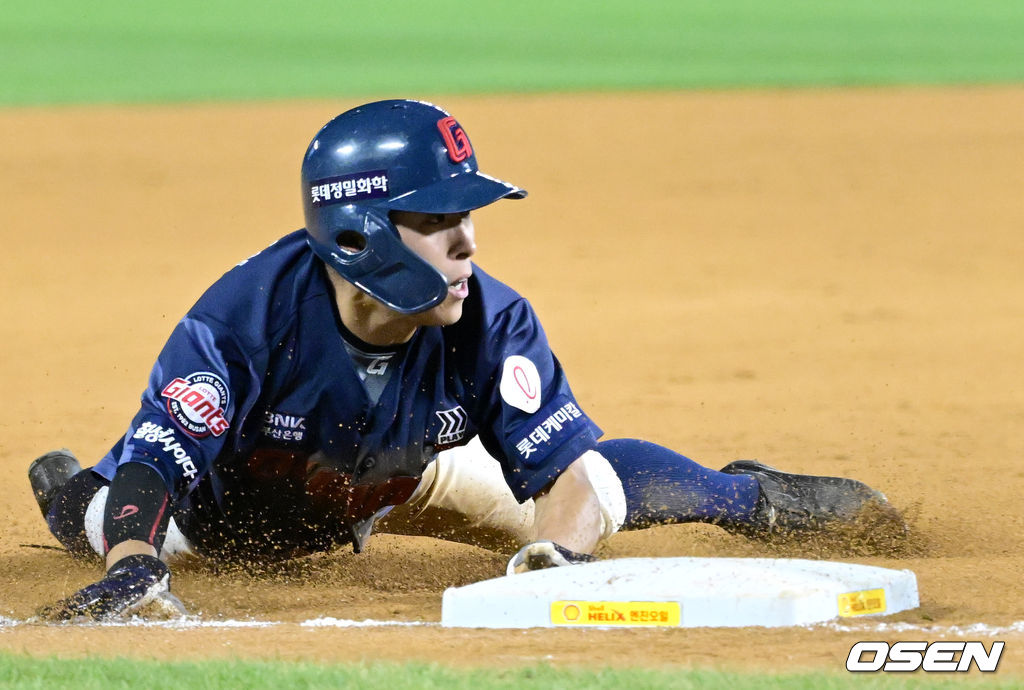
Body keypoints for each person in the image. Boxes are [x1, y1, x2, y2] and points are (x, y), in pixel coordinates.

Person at [28, 99, 903, 621]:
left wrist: (558, 561)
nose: (468, 240)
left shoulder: (492, 318)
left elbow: (567, 474)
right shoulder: (242, 321)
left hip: (409, 475)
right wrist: (131, 563)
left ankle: (751, 495)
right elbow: (159, 463)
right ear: (358, 233)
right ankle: (66, 485)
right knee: (110, 522)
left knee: (586, 500)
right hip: (226, 510)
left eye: (469, 215)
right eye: (438, 219)